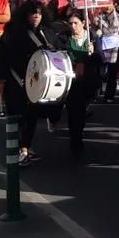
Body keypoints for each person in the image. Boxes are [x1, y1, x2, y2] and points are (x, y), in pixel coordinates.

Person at [0, 0, 59, 166]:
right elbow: (1, 56)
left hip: (37, 82)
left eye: (39, 13)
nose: (36, 16)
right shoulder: (13, 31)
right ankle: (18, 148)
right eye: (33, 13)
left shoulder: (48, 32)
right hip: (15, 79)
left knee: (31, 117)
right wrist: (0, 79)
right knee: (16, 116)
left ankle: (25, 148)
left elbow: (58, 53)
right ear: (25, 15)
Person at [47, 10, 100, 156]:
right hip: (69, 80)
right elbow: (56, 54)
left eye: (76, 23)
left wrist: (94, 52)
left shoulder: (93, 37)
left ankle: (78, 135)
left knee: (80, 112)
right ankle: (75, 142)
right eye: (70, 23)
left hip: (86, 80)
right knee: (73, 111)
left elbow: (101, 58)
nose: (73, 26)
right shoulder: (64, 38)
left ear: (83, 23)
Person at [93, 2, 119, 103]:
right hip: (102, 45)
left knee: (112, 73)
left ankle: (109, 95)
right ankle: (96, 94)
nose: (107, 7)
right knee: (99, 72)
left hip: (114, 47)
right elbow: (94, 30)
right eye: (105, 5)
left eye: (109, 5)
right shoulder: (98, 17)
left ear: (114, 5)